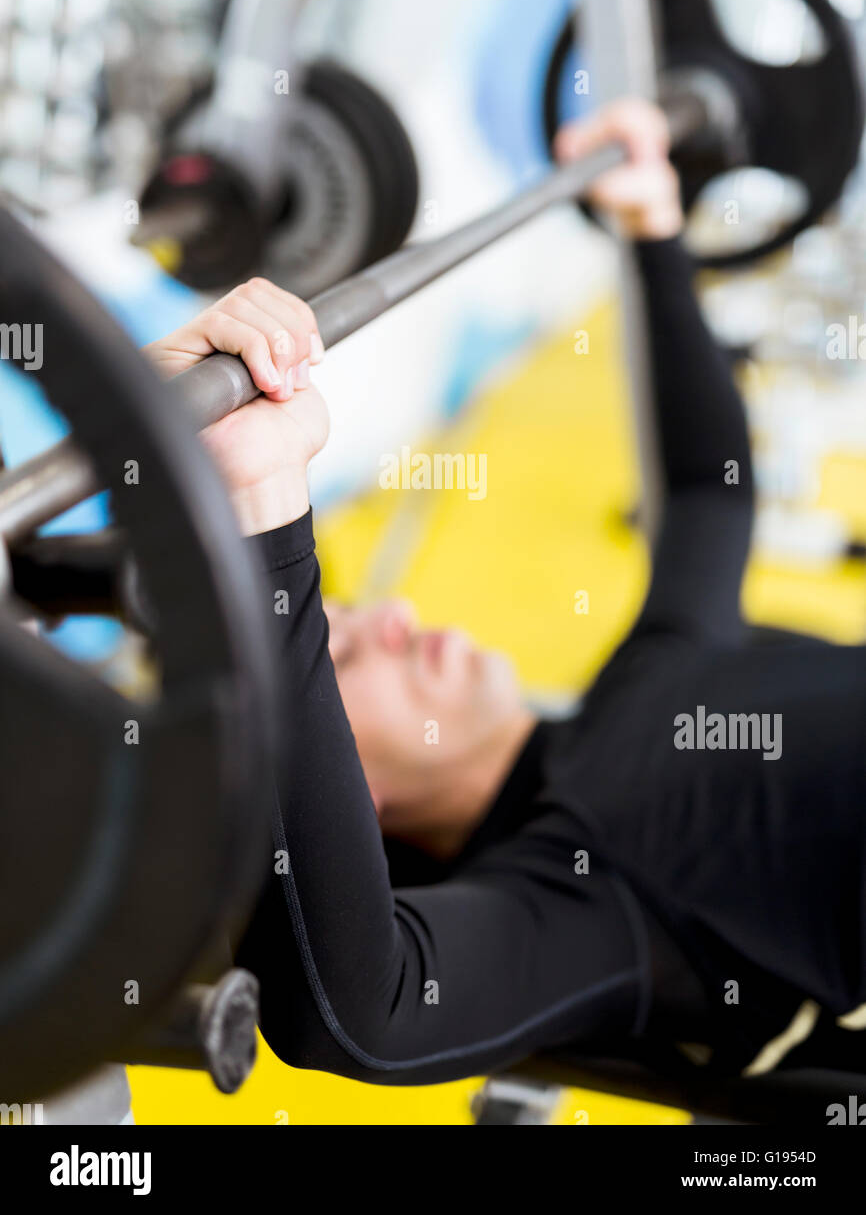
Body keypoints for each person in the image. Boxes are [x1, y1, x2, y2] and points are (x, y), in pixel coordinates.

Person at [145, 99, 866, 1086]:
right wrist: (257, 496)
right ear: (364, 797)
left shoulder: (649, 677)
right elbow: (363, 1010)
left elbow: (705, 495)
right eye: (343, 652)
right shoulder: (581, 895)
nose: (397, 619)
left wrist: (650, 227)